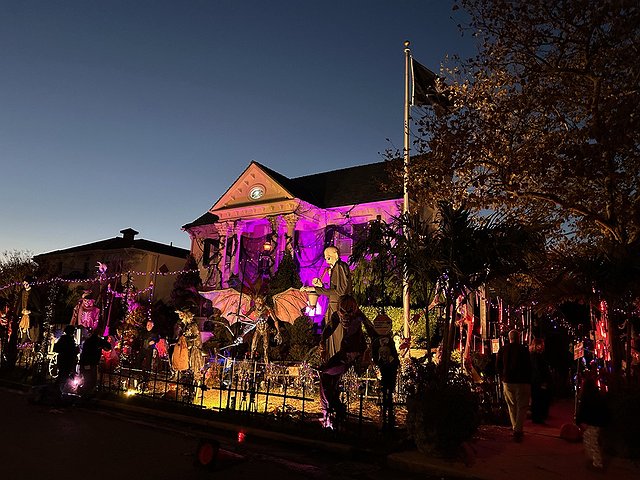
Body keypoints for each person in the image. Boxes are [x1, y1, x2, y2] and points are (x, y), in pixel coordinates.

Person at [318, 295, 370, 429]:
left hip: (351, 355)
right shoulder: (338, 316)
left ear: (354, 309)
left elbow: (369, 328)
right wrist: (322, 342)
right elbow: (330, 327)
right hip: (344, 353)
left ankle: (330, 409)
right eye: (343, 312)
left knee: (325, 373)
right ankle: (332, 412)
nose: (346, 316)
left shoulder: (357, 317)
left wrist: (366, 351)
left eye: (349, 312)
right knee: (332, 378)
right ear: (339, 310)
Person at [302, 246, 352, 359]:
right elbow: (335, 291)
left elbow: (340, 291)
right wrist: (322, 286)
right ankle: (333, 360)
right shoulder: (335, 268)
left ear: (336, 254)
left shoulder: (339, 266)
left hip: (338, 307)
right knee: (331, 336)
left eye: (328, 257)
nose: (326, 259)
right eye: (325, 257)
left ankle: (338, 361)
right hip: (335, 306)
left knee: (336, 337)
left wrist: (315, 289)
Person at [496, 329, 531, 442]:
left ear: (509, 338)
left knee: (511, 406)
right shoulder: (524, 350)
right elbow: (529, 365)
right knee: (522, 406)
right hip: (522, 381)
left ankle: (515, 427)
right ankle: (518, 430)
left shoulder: (503, 349)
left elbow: (498, 365)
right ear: (518, 338)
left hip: (508, 381)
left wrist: (503, 376)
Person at [575, 373, 609, 471]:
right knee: (589, 439)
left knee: (592, 442)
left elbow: (582, 410)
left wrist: (578, 421)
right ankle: (592, 459)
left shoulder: (586, 397)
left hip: (592, 423)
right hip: (597, 422)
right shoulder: (597, 396)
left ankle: (597, 463)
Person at [246, 296, 281, 363]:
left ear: (263, 301)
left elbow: (275, 320)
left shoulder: (267, 308)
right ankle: (251, 359)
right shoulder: (254, 308)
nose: (258, 302)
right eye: (257, 300)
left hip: (265, 329)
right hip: (258, 328)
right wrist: (239, 316)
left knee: (266, 346)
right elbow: (246, 315)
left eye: (259, 300)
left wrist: (278, 331)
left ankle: (266, 362)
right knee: (253, 345)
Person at [78, 329, 111, 395]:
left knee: (87, 379)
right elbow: (108, 347)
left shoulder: (88, 340)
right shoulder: (98, 341)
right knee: (91, 380)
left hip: (85, 362)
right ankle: (85, 393)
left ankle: (83, 393)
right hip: (91, 363)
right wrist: (104, 341)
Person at [529, 338, 552, 424]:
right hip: (538, 381)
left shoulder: (534, 355)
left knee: (536, 399)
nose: (543, 346)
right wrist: (543, 381)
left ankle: (537, 416)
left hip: (535, 380)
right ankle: (538, 417)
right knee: (539, 399)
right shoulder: (536, 356)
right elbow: (538, 369)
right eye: (541, 345)